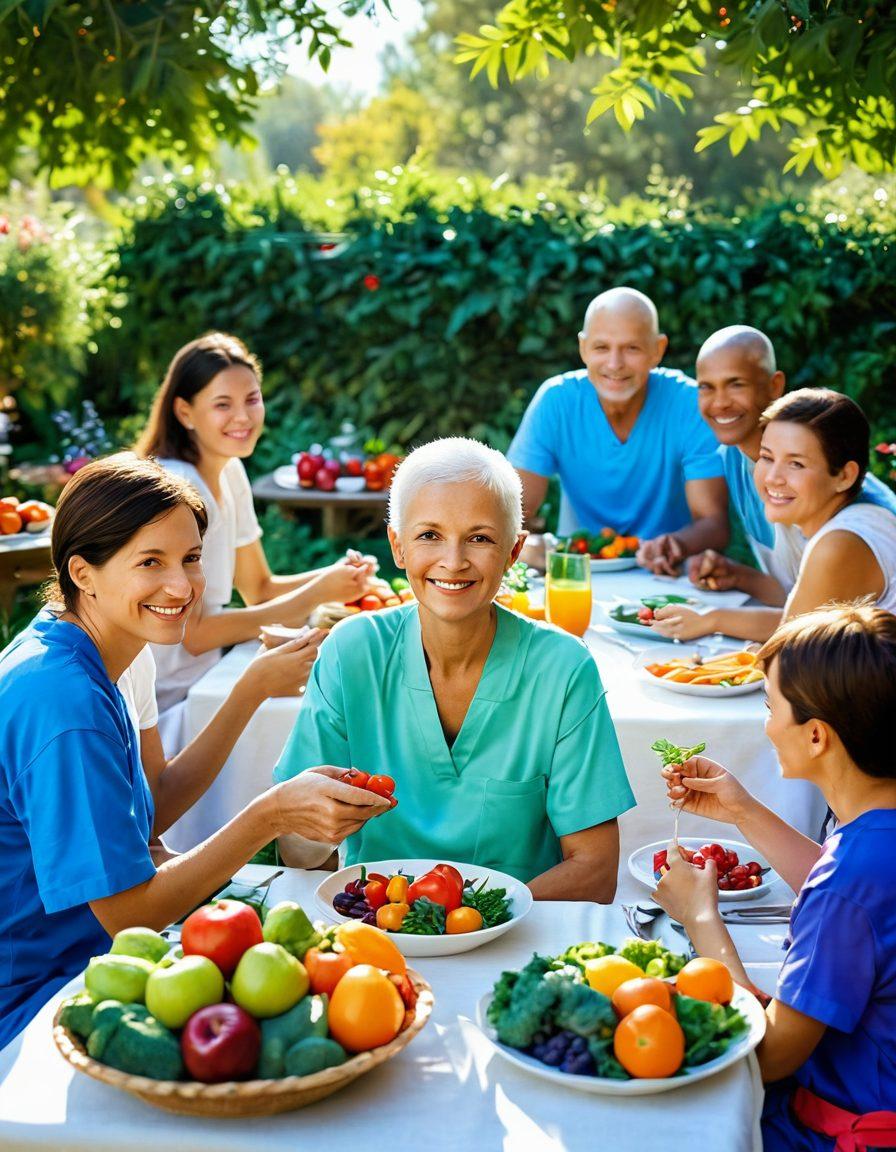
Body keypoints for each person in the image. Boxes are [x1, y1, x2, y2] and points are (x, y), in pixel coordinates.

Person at [0, 455, 388, 1049]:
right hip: (44, 996)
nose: (181, 587)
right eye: (149, 562)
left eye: (190, 559)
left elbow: (138, 828)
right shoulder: (63, 702)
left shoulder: (79, 653)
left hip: (93, 956)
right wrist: (270, 815)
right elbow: (130, 914)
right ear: (84, 572)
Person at [274, 438, 635, 899]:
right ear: (397, 546)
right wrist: (307, 830)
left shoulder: (562, 669)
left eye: (480, 538)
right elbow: (302, 855)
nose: (454, 560)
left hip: (521, 939)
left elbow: (595, 870)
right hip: (379, 930)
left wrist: (464, 923)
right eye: (429, 535)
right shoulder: (352, 653)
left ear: (514, 550)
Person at [654, 604, 896, 1149]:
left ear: (816, 736)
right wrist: (743, 812)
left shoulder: (848, 883)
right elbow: (857, 904)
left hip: (836, 1129)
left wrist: (700, 918)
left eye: (770, 706)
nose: (765, 724)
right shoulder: (874, 841)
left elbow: (765, 1056)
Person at [133, 332, 376, 729]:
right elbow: (192, 634)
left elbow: (259, 587)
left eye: (252, 399)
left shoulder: (230, 471)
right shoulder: (178, 488)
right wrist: (318, 592)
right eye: (222, 405)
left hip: (205, 675)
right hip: (165, 699)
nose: (244, 417)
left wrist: (336, 576)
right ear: (185, 412)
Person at [507, 287, 728, 575]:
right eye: (601, 348)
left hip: (665, 576)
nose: (615, 364)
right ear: (583, 348)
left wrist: (674, 545)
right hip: (576, 573)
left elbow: (714, 523)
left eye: (632, 348)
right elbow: (512, 513)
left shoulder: (688, 403)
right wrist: (528, 546)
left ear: (657, 350)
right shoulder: (557, 401)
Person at [651, 388, 896, 642]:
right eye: (767, 457)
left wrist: (711, 620)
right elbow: (807, 603)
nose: (772, 478)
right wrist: (740, 577)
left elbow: (792, 639)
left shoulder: (842, 542)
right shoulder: (819, 517)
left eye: (796, 464)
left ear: (844, 476)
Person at [689, 325, 896, 600]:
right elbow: (802, 596)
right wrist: (739, 576)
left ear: (775, 385)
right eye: (707, 388)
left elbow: (807, 624)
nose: (720, 403)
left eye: (736, 384)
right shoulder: (733, 459)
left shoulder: (844, 501)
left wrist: (711, 620)